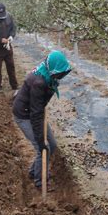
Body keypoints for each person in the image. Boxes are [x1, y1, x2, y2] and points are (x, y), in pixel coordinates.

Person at [12, 50, 72, 188]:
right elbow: (36, 115)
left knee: (52, 145)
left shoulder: (47, 74)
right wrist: (40, 140)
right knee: (43, 149)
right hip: (24, 115)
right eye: (60, 73)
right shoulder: (38, 83)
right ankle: (40, 182)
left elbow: (38, 108)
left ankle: (33, 172)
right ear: (53, 69)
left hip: (34, 110)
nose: (61, 76)